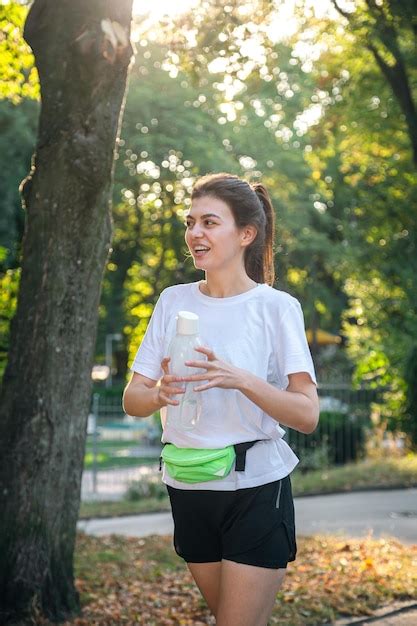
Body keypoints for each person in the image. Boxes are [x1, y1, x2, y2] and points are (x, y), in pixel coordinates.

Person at [123, 172, 319, 626]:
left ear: (246, 233)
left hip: (255, 488)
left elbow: (307, 413)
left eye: (209, 222)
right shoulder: (172, 302)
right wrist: (157, 395)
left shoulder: (276, 308)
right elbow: (133, 398)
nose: (194, 233)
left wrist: (242, 379)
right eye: (190, 222)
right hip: (188, 484)